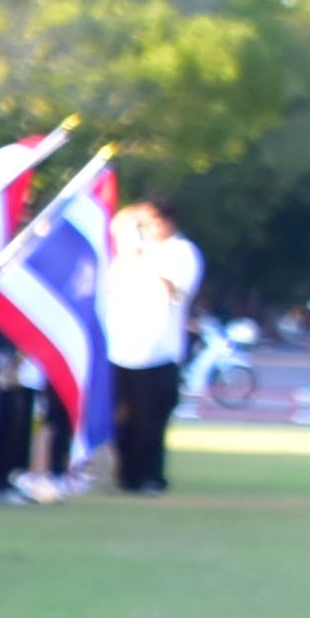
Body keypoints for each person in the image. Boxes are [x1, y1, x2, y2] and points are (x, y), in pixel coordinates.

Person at [105, 193, 201, 492]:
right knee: (124, 418)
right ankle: (126, 475)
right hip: (122, 347)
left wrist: (147, 260)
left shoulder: (181, 252)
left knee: (151, 419)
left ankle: (150, 475)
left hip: (159, 350)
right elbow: (119, 222)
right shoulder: (128, 253)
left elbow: (176, 290)